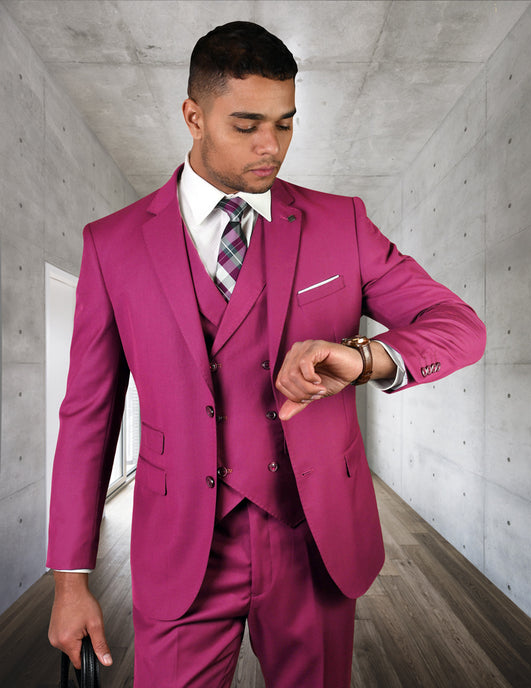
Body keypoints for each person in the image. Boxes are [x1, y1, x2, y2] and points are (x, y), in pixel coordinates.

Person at [47, 21, 486, 688]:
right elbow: (87, 416)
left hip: (311, 539)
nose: (270, 146)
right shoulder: (112, 245)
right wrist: (71, 578)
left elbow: (458, 325)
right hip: (182, 547)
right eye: (246, 123)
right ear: (193, 116)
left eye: (284, 123)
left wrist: (362, 356)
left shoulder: (341, 225)